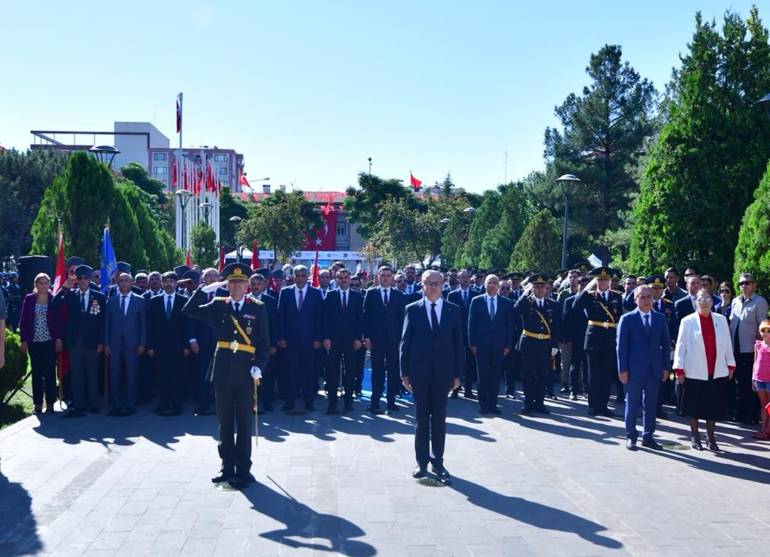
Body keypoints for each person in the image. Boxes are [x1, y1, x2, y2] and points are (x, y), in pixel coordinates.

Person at [182, 262, 270, 488]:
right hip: (222, 369)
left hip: (245, 370)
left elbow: (263, 343)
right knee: (224, 421)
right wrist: (204, 290)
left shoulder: (258, 307)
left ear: (247, 285)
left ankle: (243, 468)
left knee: (243, 420)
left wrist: (259, 365)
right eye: (232, 282)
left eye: (240, 283)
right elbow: (189, 311)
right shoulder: (218, 305)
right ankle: (226, 466)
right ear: (226, 284)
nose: (236, 286)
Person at [400, 270, 463, 482]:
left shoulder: (454, 310)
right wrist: (404, 374)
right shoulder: (412, 309)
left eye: (437, 283)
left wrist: (457, 375)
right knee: (421, 420)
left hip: (443, 374)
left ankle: (438, 462)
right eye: (429, 283)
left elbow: (458, 345)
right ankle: (422, 462)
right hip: (419, 373)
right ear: (422, 284)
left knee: (439, 419)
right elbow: (405, 344)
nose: (433, 286)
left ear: (444, 284)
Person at [673, 289, 735, 451]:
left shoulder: (721, 320)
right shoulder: (688, 321)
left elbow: (728, 343)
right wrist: (679, 368)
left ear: (713, 301)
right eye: (701, 299)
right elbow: (681, 346)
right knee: (693, 405)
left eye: (708, 298)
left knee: (713, 406)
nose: (705, 301)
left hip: (716, 369)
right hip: (694, 370)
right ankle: (695, 436)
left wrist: (731, 363)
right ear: (696, 302)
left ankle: (711, 437)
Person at [616, 286, 670, 451]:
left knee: (651, 405)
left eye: (649, 297)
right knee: (632, 404)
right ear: (635, 299)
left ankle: (648, 436)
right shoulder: (627, 319)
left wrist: (666, 367)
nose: (646, 301)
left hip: (654, 370)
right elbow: (621, 346)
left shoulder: (660, 318)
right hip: (633, 370)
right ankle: (631, 436)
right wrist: (622, 369)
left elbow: (666, 344)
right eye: (642, 297)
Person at [52, 265, 106, 416]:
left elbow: (103, 321)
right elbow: (54, 306)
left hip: (92, 340)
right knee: (77, 373)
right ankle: (79, 403)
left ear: (90, 279)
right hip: (75, 340)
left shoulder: (99, 297)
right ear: (76, 280)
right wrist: (64, 288)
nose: (83, 281)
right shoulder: (70, 294)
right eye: (80, 278)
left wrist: (101, 341)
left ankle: (93, 403)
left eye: (86, 278)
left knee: (92, 372)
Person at [573, 267, 623, 417]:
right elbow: (575, 305)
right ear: (596, 281)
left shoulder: (616, 297)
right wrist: (589, 287)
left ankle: (604, 405)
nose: (603, 282)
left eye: (605, 279)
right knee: (594, 374)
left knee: (606, 374)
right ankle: (594, 406)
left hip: (609, 339)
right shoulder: (589, 296)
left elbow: (619, 316)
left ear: (609, 281)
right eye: (600, 279)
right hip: (594, 338)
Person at [276, 265, 323, 412]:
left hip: (310, 341)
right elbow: (280, 317)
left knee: (308, 372)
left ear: (308, 276)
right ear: (293, 277)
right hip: (290, 341)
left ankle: (309, 402)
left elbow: (319, 318)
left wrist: (317, 338)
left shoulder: (316, 293)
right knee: (291, 371)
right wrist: (281, 337)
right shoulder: (285, 292)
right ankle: (289, 402)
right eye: (298, 275)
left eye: (303, 275)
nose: (301, 278)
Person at [514, 272, 562, 415]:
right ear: (532, 288)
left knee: (543, 375)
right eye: (537, 287)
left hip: (545, 345)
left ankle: (540, 403)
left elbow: (557, 327)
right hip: (529, 343)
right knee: (528, 375)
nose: (540, 289)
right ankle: (528, 403)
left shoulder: (552, 305)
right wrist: (525, 292)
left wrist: (555, 346)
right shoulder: (526, 303)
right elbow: (516, 309)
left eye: (543, 286)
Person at [363, 265, 407, 413]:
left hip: (394, 340)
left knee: (393, 370)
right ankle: (375, 401)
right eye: (383, 275)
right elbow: (366, 317)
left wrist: (402, 339)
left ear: (392, 277)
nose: (386, 278)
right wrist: (367, 337)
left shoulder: (399, 295)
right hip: (376, 339)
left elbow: (403, 320)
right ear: (378, 277)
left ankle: (391, 401)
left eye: (388, 275)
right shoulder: (371, 293)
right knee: (377, 370)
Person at [468, 274, 512, 415]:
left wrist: (508, 345)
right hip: (481, 345)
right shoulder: (476, 301)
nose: (492, 285)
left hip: (499, 346)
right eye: (489, 283)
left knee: (495, 375)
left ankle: (493, 404)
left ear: (498, 285)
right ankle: (483, 405)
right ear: (485, 285)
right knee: (482, 375)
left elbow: (509, 326)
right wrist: (472, 343)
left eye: (494, 283)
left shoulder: (506, 302)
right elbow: (471, 324)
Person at [147, 271, 190, 416]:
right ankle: (163, 404)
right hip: (159, 346)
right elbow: (150, 326)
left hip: (178, 346)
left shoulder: (183, 300)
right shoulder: (154, 301)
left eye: (172, 281)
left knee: (177, 375)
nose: (169, 284)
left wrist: (186, 346)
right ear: (161, 283)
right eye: (166, 281)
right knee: (161, 376)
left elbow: (187, 325)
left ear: (176, 283)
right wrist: (150, 346)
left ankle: (177, 404)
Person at [19, 273, 63, 414]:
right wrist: (23, 340)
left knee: (50, 373)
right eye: (40, 283)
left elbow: (58, 322)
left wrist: (58, 339)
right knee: (37, 373)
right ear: (36, 284)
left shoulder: (53, 299)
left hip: (50, 342)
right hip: (34, 342)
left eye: (45, 283)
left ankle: (50, 403)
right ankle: (38, 404)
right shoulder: (29, 299)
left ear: (49, 284)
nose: (43, 285)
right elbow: (23, 321)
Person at [104, 272, 146, 416]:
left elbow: (143, 325)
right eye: (120, 281)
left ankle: (130, 404)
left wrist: (142, 343)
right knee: (114, 375)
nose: (123, 283)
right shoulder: (111, 300)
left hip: (133, 344)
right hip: (114, 344)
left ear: (132, 282)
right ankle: (116, 404)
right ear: (117, 283)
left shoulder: (140, 300)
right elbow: (106, 324)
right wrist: (106, 344)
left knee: (132, 375)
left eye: (126, 280)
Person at [322, 268, 363, 414]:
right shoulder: (330, 295)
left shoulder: (358, 297)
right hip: (333, 340)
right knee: (332, 371)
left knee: (350, 372)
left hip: (351, 341)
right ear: (336, 279)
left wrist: (359, 338)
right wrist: (326, 337)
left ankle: (348, 402)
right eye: (340, 277)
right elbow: (325, 318)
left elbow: (360, 320)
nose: (343, 280)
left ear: (350, 278)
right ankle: (332, 402)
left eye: (346, 277)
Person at [730, 272, 768, 425]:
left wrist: (759, 351)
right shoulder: (735, 302)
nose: (743, 286)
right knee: (738, 382)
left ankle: (751, 415)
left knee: (749, 384)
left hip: (750, 351)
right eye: (741, 283)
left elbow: (762, 329)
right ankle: (741, 412)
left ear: (754, 285)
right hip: (735, 350)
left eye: (747, 283)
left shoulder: (759, 302)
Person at [247, 271, 278, 413]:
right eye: (253, 284)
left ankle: (267, 402)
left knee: (268, 374)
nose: (256, 287)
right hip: (248, 344)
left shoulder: (271, 300)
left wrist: (273, 344)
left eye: (259, 284)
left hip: (266, 344)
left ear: (264, 285)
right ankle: (252, 403)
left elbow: (275, 324)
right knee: (249, 375)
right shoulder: (245, 299)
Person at [447, 269, 479, 399]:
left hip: (471, 333)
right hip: (456, 333)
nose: (464, 280)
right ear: (458, 280)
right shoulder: (452, 295)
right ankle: (454, 389)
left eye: (466, 277)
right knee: (456, 361)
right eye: (462, 278)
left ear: (469, 279)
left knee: (471, 362)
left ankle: (469, 390)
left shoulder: (476, 294)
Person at [563, 275, 590, 400]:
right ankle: (573, 390)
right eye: (581, 284)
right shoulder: (570, 300)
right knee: (575, 364)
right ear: (577, 285)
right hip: (576, 338)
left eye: (586, 284)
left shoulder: (592, 300)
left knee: (588, 365)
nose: (584, 286)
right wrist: (568, 339)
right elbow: (566, 322)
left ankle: (586, 389)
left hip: (590, 338)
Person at [752, 320, 770, 440]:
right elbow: (755, 362)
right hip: (759, 379)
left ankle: (768, 431)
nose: (766, 333)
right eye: (763, 330)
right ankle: (763, 428)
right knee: (763, 405)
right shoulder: (758, 345)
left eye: (768, 330)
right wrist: (753, 378)